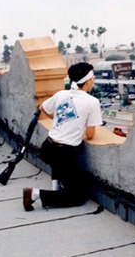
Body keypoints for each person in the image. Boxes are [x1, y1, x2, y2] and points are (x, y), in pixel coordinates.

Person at [22, 62, 103, 211]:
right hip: (65, 154)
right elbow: (90, 135)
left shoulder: (61, 94)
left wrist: (61, 120)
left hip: (47, 148)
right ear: (89, 80)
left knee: (67, 170)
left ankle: (56, 185)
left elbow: (42, 108)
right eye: (93, 78)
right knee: (78, 196)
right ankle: (34, 194)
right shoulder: (92, 102)